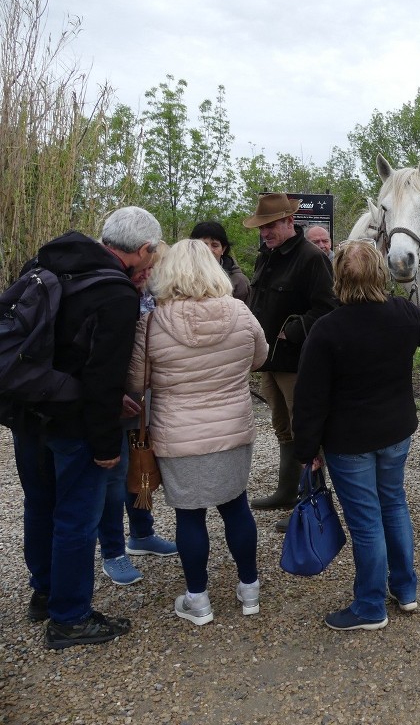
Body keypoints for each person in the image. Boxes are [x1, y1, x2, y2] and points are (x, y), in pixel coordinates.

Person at [9, 206, 161, 649]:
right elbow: (103, 379)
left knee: (40, 505)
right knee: (77, 517)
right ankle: (70, 617)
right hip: (73, 422)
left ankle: (45, 592)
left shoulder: (45, 264)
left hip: (28, 412)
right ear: (144, 250)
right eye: (152, 257)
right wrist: (105, 446)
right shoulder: (115, 293)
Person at [292, 239, 420, 631]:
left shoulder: (326, 330)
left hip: (349, 444)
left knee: (367, 521)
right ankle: (405, 588)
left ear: (339, 280)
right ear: (381, 274)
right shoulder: (401, 313)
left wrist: (306, 449)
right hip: (395, 433)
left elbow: (309, 398)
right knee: (394, 506)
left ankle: (369, 606)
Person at [126, 239, 269, 625]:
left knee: (190, 517)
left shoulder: (152, 321)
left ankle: (198, 600)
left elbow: (137, 382)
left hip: (179, 435)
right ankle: (250, 588)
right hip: (232, 429)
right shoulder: (240, 312)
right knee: (236, 506)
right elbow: (260, 357)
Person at [243, 193, 337, 516]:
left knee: (306, 429)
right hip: (269, 360)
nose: (265, 233)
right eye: (262, 227)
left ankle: (310, 503)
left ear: (289, 221)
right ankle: (287, 491)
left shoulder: (312, 258)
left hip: (298, 363)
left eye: (270, 226)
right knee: (282, 425)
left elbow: (328, 308)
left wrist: (292, 331)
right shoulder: (265, 256)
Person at [97, 259, 177, 587]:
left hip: (145, 399)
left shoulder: (153, 297)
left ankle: (142, 533)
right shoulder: (108, 295)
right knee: (114, 478)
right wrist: (114, 395)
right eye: (144, 269)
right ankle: (113, 551)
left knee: (142, 467)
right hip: (114, 402)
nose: (147, 275)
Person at [189, 221, 250, 301]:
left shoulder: (238, 281)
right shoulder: (180, 276)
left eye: (215, 245)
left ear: (223, 249)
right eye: (203, 245)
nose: (209, 250)